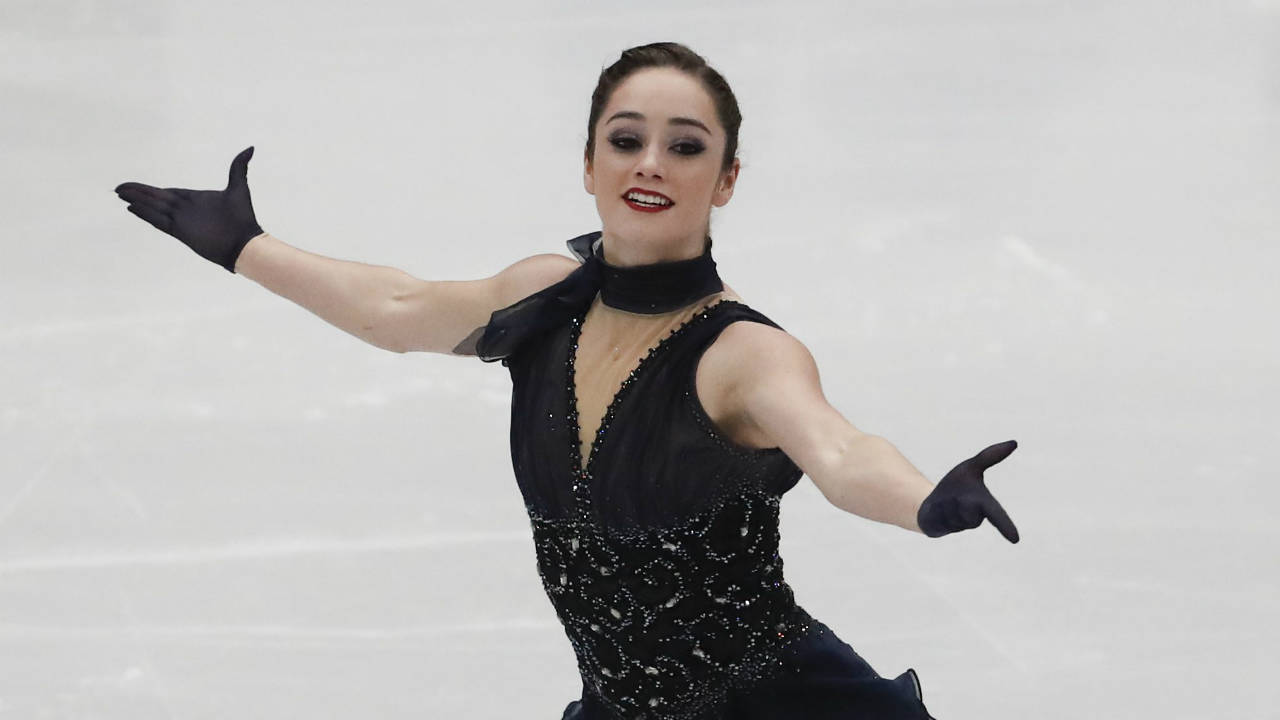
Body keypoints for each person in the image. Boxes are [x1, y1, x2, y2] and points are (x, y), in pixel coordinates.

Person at [114, 41, 1020, 720]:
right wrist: (246, 247)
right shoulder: (546, 301)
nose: (651, 163)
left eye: (687, 146)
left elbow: (840, 449)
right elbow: (399, 307)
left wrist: (923, 501)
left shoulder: (742, 353)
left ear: (728, 179)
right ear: (589, 164)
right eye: (626, 139)